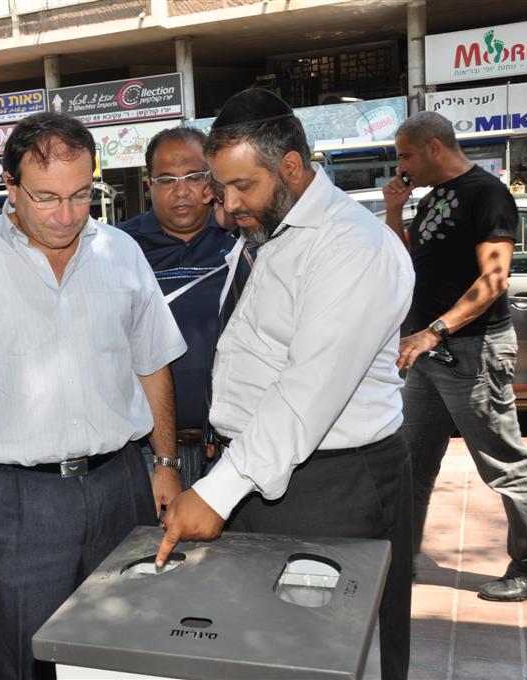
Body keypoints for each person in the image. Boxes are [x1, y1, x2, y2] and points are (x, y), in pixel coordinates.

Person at [0, 111, 187, 680]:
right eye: (47, 198)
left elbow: (152, 364)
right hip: (15, 503)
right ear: (11, 188)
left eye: (82, 196)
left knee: (120, 654)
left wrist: (164, 463)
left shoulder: (123, 253)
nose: (67, 215)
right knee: (18, 659)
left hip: (120, 487)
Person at [155, 89, 415, 680]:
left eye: (243, 187)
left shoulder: (352, 245)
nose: (227, 205)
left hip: (332, 487)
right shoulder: (270, 234)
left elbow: (306, 395)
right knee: (262, 649)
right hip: (260, 473)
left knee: (326, 655)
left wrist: (218, 492)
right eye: (221, 188)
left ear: (291, 167)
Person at [384, 111, 527, 603]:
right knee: (410, 460)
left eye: (406, 154)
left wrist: (434, 331)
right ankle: (397, 559)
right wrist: (393, 211)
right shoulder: (429, 200)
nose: (401, 165)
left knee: (504, 464)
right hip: (430, 354)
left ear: (433, 147)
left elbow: (494, 281)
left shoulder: (487, 194)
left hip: (473, 349)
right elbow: (413, 266)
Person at [119, 126, 239, 489]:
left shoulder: (242, 239)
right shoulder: (118, 248)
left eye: (194, 176)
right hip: (147, 453)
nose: (181, 190)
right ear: (148, 183)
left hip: (234, 449)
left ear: (213, 179)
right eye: (167, 179)